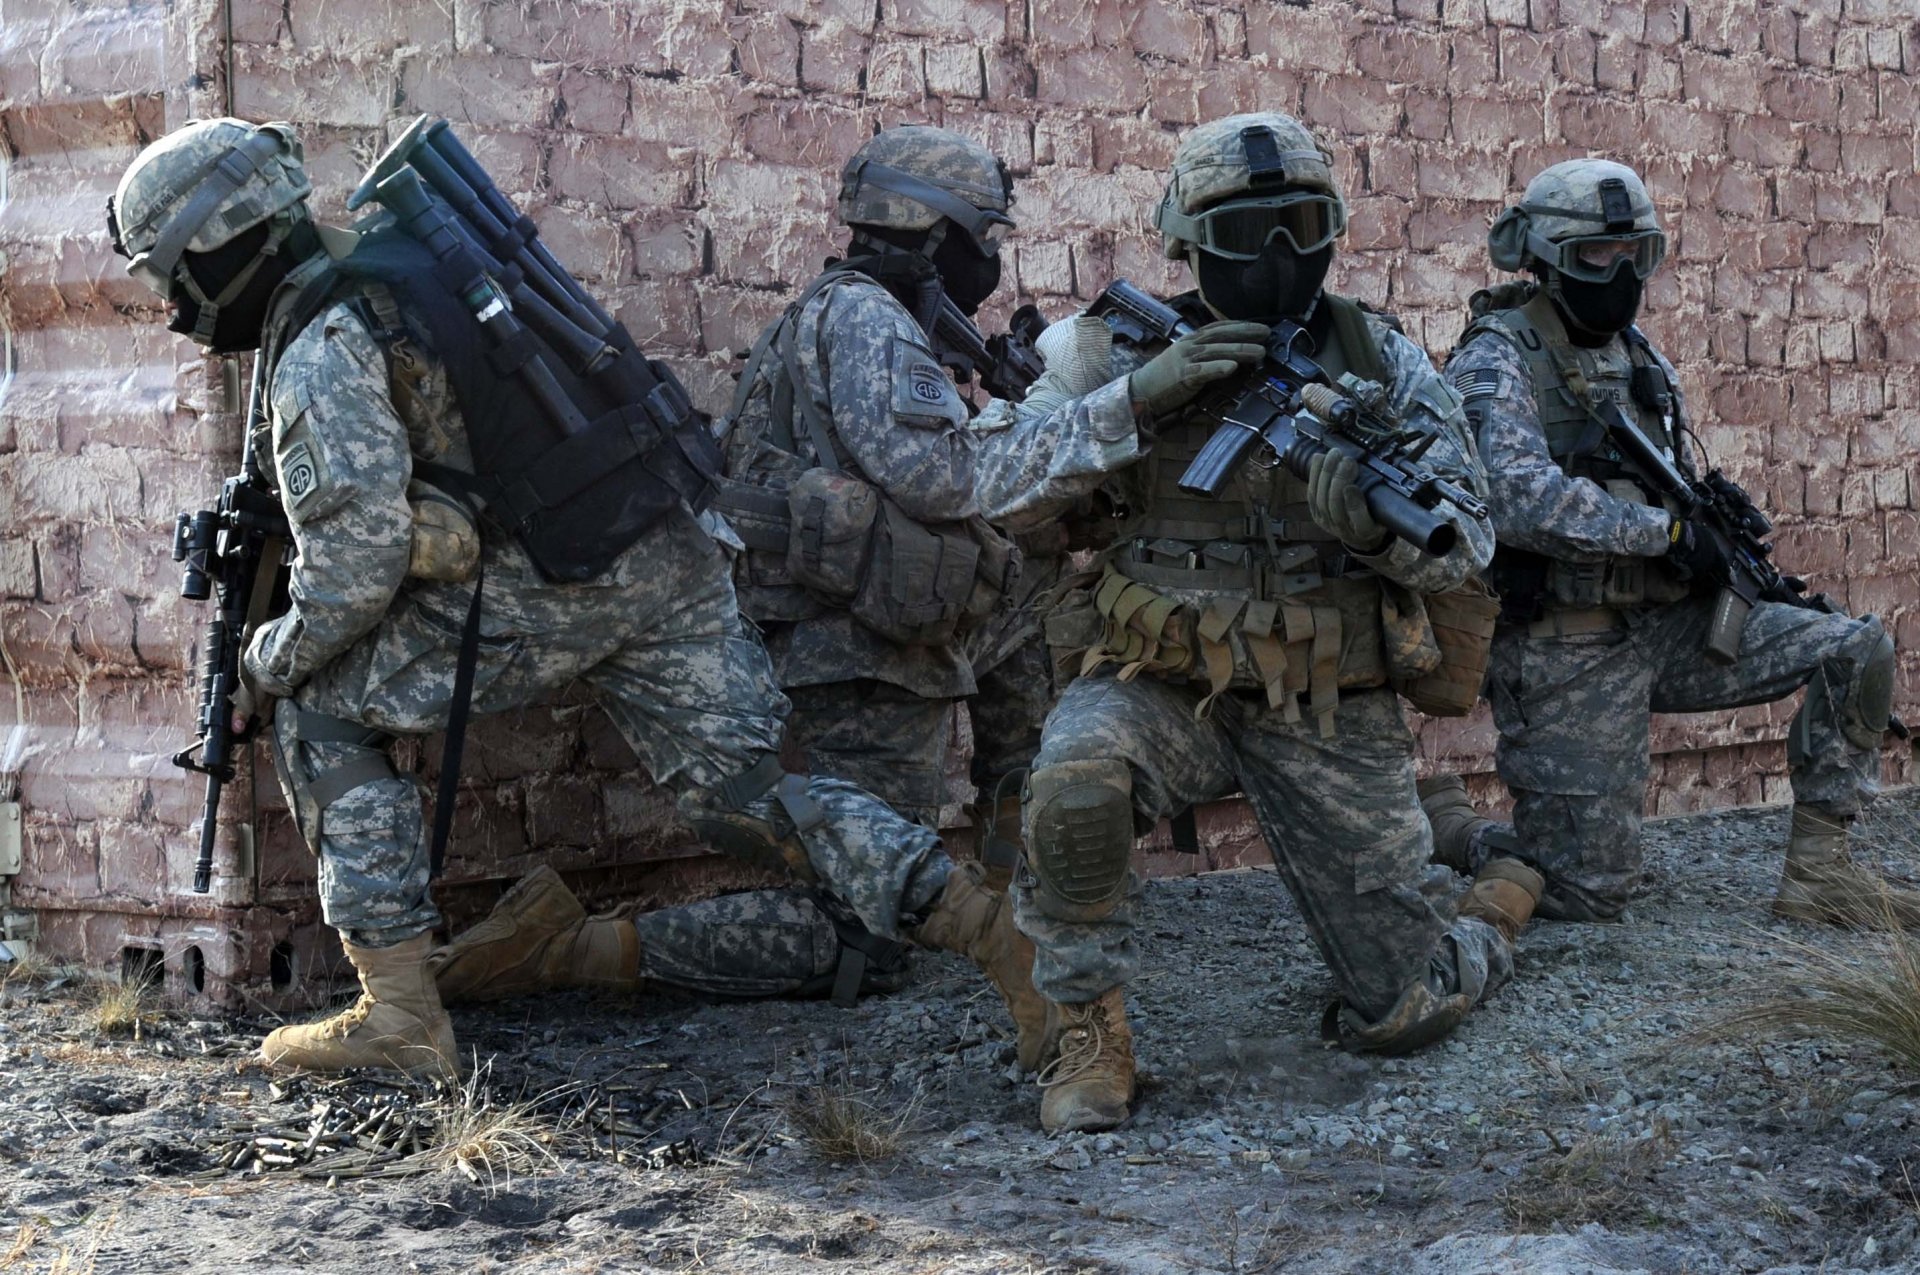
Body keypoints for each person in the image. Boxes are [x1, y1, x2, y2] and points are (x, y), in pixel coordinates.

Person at [109, 117, 1041, 1076]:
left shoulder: (322, 341)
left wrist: (268, 660)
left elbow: (352, 570)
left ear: (227, 245)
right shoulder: (404, 272)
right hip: (663, 543)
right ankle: (989, 928)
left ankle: (398, 1012)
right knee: (754, 793)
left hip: (552, 580)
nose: (176, 310)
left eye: (172, 276)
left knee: (320, 709)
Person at [974, 113, 1541, 1134]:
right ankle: (1085, 1030)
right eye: (1248, 231)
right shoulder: (1104, 345)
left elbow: (1468, 536)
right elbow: (985, 485)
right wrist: (1133, 405)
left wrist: (1375, 532)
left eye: (1301, 226)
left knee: (1403, 1009)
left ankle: (1491, 906)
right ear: (1186, 240)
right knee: (1073, 780)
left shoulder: (1381, 359)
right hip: (1157, 676)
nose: (1280, 257)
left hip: (1325, 692)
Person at [1419, 158, 1912, 926]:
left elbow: (1676, 480)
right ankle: (1457, 830)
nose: (1618, 274)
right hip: (1563, 648)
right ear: (1546, 256)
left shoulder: (1642, 360)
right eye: (1595, 256)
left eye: (1635, 255)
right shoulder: (1497, 356)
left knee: (1854, 648)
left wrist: (1711, 532)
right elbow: (1511, 498)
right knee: (1587, 891)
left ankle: (1822, 877)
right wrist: (1668, 533)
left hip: (1667, 626)